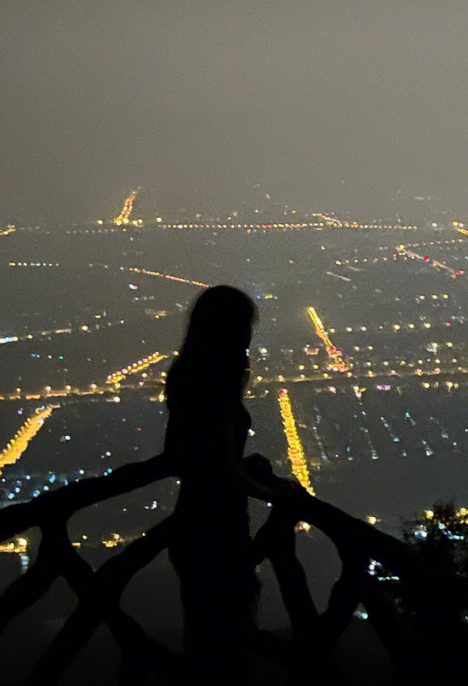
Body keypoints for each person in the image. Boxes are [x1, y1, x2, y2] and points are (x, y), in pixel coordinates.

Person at [163, 285, 285, 681]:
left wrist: (236, 462)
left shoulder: (185, 375)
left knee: (202, 637)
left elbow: (184, 454)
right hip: (217, 527)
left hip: (191, 523)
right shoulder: (214, 386)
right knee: (228, 639)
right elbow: (220, 465)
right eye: (245, 328)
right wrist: (272, 493)